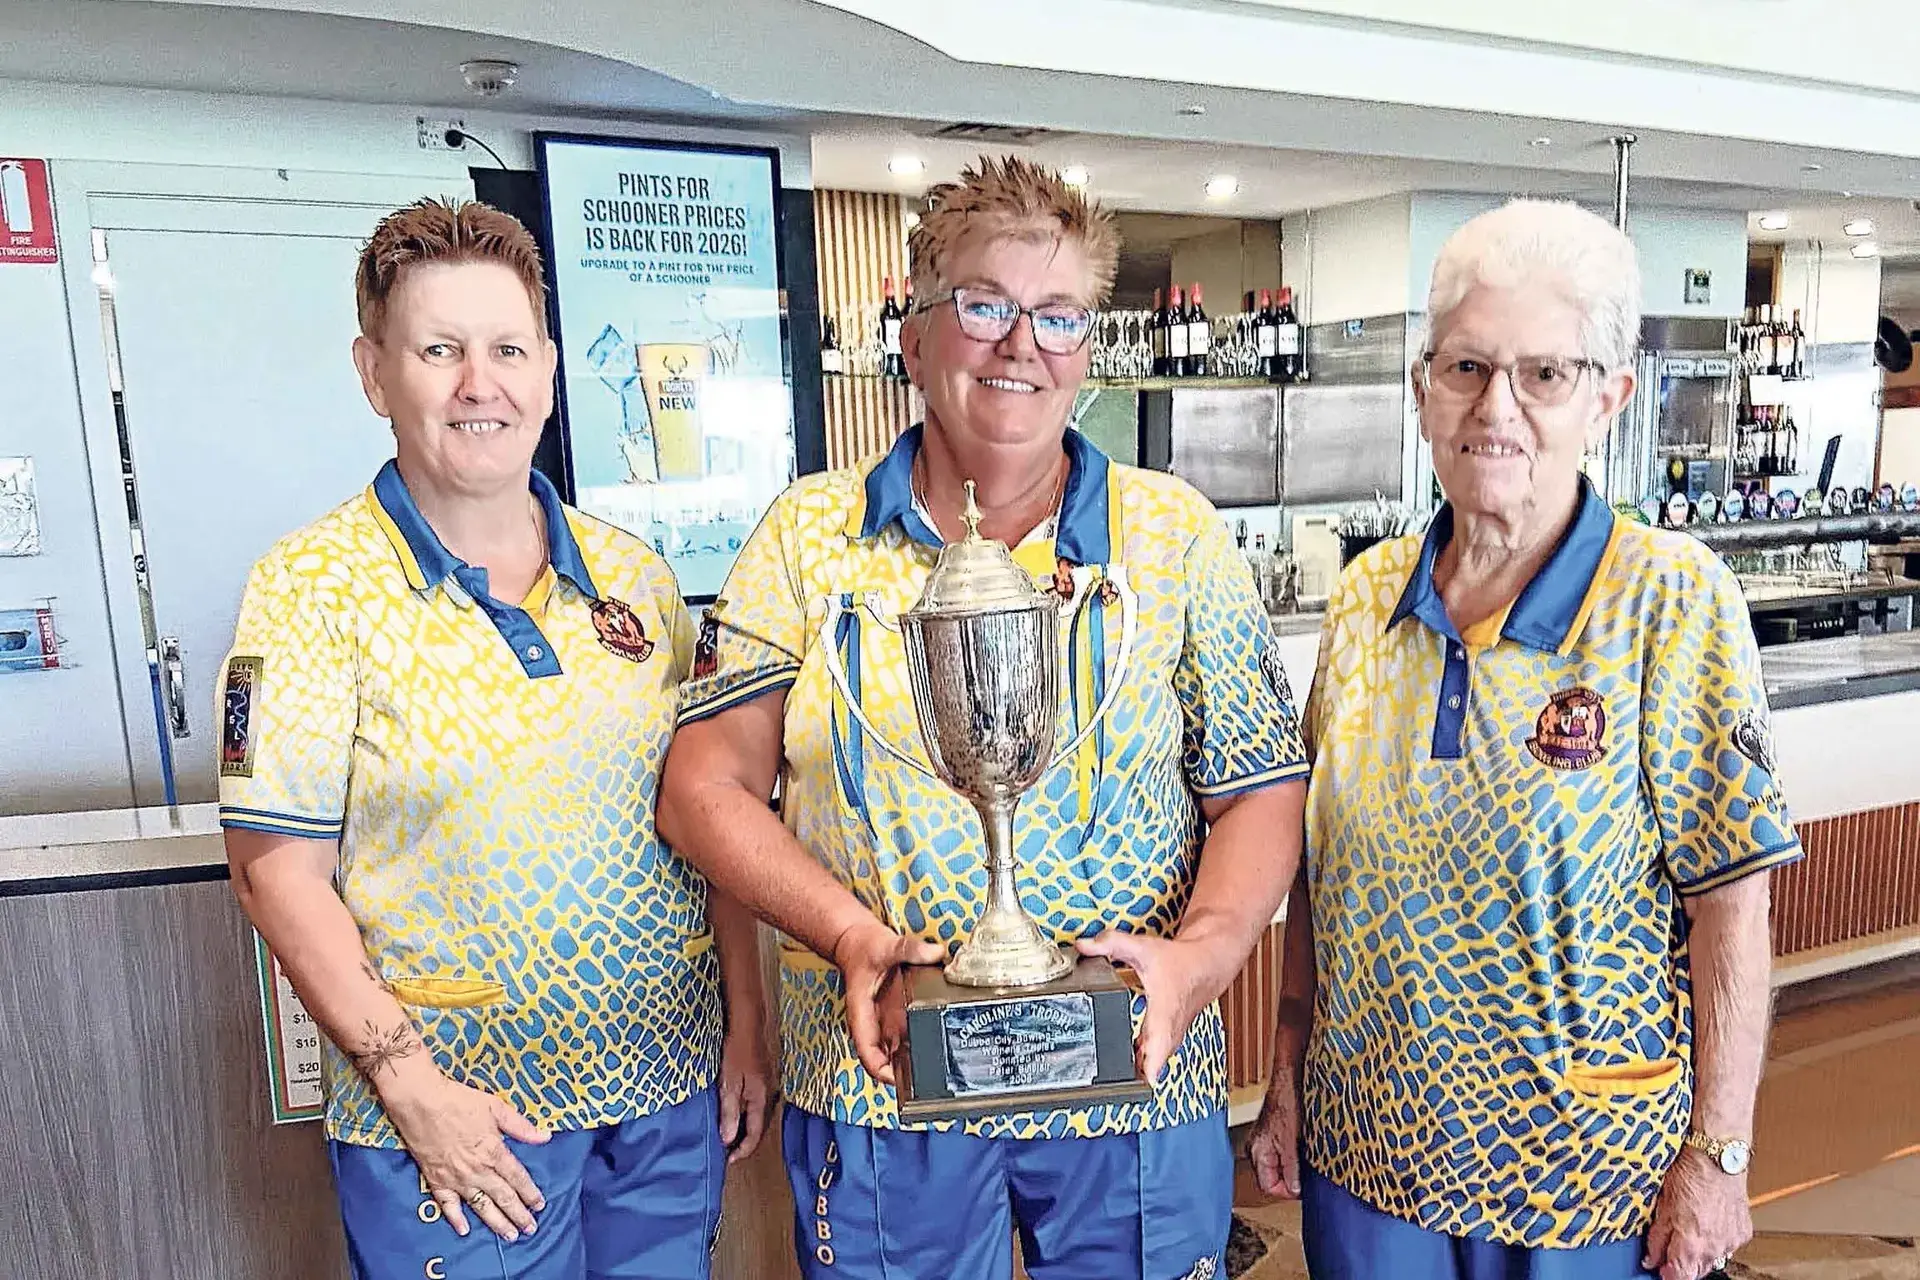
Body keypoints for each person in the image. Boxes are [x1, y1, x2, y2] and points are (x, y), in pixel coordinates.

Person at [658, 156, 1308, 1280]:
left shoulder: (1177, 537)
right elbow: (702, 788)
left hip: (1135, 1087)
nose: (1022, 346)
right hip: (882, 1077)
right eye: (984, 306)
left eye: (1058, 317)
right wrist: (850, 933)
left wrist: (1201, 958)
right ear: (913, 338)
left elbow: (1258, 788)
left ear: (1088, 350)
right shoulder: (809, 537)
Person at [217, 198, 773, 1280]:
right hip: (462, 1127)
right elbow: (271, 870)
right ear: (375, 373)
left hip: (663, 1101)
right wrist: (413, 1091)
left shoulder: (640, 581)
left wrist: (744, 1024)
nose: (482, 382)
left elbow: (715, 819)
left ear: (550, 370)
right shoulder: (307, 588)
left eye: (507, 348)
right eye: (440, 350)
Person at [1248, 200, 1802, 1280]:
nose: (1495, 405)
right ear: (1422, 390)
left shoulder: (1670, 601)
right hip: (1366, 1161)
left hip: (1586, 1184)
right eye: (1465, 366)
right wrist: (1285, 1073)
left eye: (1544, 374)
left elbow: (1730, 906)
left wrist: (1721, 1155)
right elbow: (1322, 875)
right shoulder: (1366, 602)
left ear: (1609, 396)